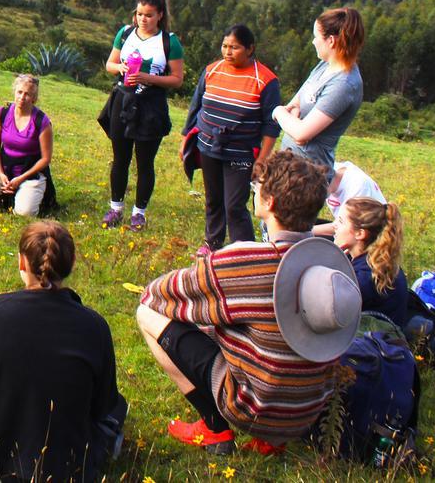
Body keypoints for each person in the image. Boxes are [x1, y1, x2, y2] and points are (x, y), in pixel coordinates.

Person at [136, 150, 361, 456]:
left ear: (269, 203)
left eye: (258, 187)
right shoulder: (336, 267)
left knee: (146, 313)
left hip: (253, 407)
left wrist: (210, 305)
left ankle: (214, 428)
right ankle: (273, 439)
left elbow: (156, 294)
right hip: (307, 413)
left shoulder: (244, 260)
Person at [0, 220, 125, 482]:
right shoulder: (94, 325)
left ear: (22, 263)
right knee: (118, 406)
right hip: (65, 462)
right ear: (71, 264)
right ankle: (102, 447)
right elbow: (101, 406)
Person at [182, 24, 280, 255]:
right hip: (207, 146)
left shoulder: (266, 79)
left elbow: (271, 125)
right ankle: (212, 242)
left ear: (250, 48)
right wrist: (187, 139)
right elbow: (195, 107)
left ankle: (244, 251)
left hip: (241, 153)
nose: (227, 52)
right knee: (213, 199)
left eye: (234, 47)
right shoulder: (212, 70)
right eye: (225, 46)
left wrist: (262, 160)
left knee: (234, 205)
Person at [98, 0, 184, 231]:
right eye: (139, 14)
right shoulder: (125, 33)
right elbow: (109, 65)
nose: (143, 19)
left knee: (145, 162)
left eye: (148, 15)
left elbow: (177, 79)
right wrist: (121, 69)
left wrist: (148, 78)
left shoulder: (169, 42)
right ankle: (115, 208)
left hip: (151, 106)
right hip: (122, 101)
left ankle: (139, 213)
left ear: (160, 15)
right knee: (120, 159)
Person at [274, 6, 366, 179]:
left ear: (331, 41)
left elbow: (301, 134)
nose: (313, 42)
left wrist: (277, 112)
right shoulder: (324, 66)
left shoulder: (344, 84)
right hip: (288, 165)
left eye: (316, 37)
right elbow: (294, 105)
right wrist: (294, 123)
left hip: (307, 176)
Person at [0, 74, 55, 217]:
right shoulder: (2, 113)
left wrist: (20, 179)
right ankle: (4, 194)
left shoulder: (42, 121)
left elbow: (45, 159)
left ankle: (28, 195)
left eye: (27, 94)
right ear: (14, 93)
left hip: (30, 172)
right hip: (4, 167)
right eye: (19, 92)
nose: (22, 97)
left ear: (34, 98)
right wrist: (1, 174)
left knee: (24, 213)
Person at [334, 197, 407, 327]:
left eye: (340, 221)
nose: (335, 225)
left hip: (376, 342)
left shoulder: (363, 278)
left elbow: (332, 313)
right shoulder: (377, 260)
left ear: (360, 234)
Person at [312, 159, 385, 237]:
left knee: (306, 239)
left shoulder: (357, 186)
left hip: (367, 237)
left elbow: (349, 227)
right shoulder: (329, 172)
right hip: (344, 225)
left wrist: (305, 233)